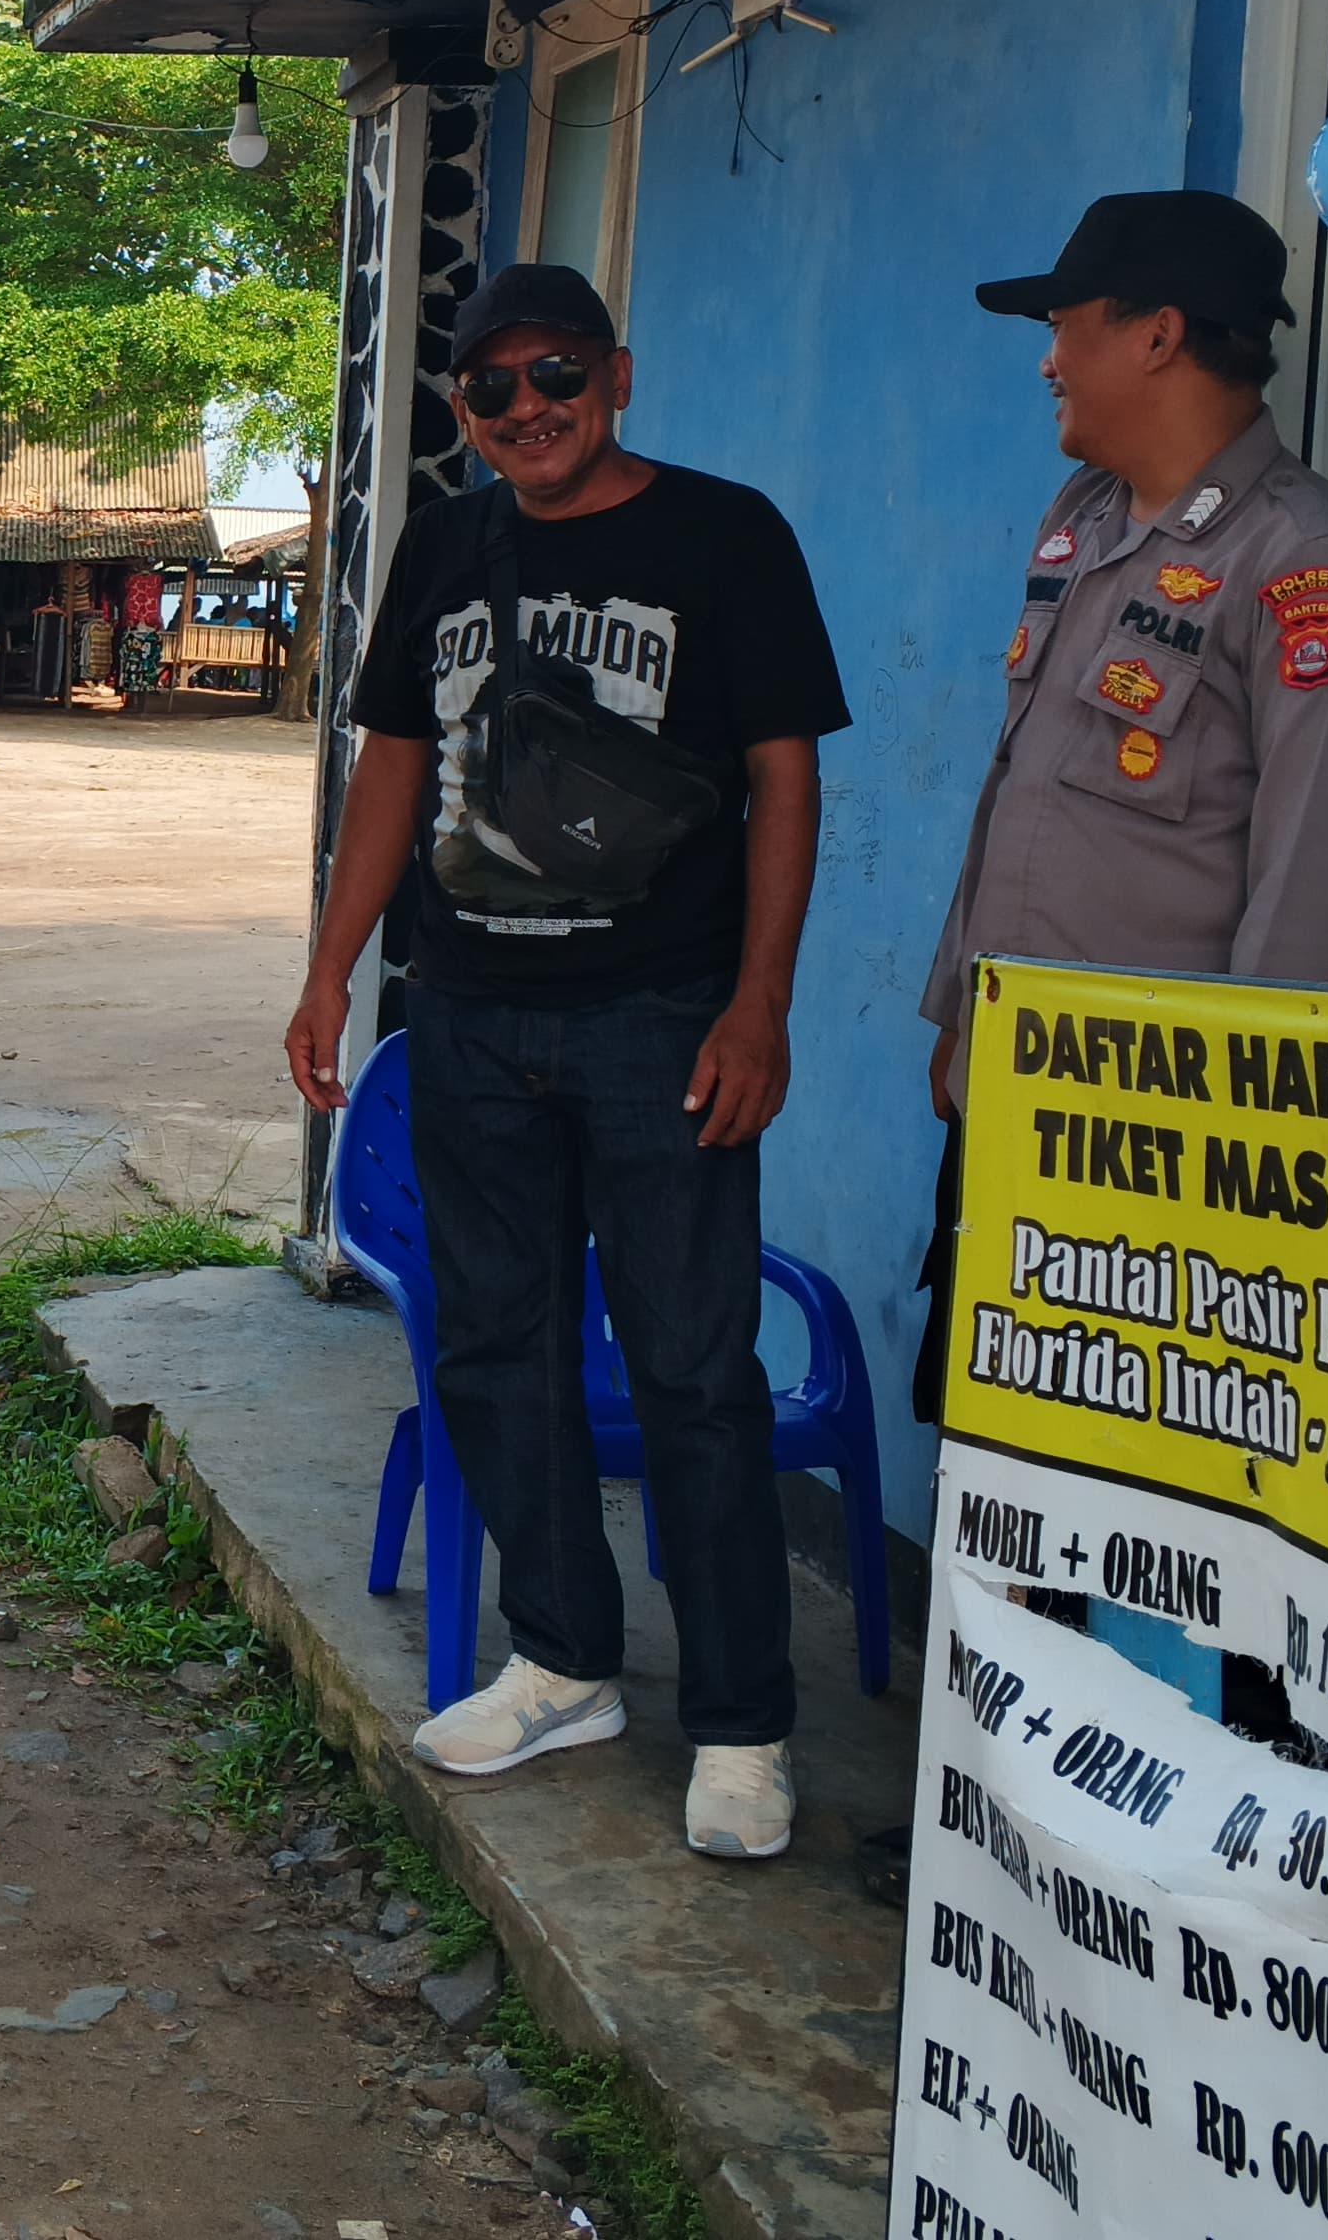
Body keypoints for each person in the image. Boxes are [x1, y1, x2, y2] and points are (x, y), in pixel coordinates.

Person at [283, 261, 849, 1859]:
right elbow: (396, 766)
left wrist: (761, 1004)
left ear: (617, 375)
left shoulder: (726, 537)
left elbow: (784, 781)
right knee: (495, 1349)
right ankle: (564, 1659)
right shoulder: (446, 545)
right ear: (464, 410)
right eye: (493, 388)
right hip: (468, 1014)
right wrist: (332, 968)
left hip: (662, 1018)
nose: (528, 409)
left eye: (557, 375)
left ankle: (740, 1722)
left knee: (691, 1370)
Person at [916, 189, 1328, 1419]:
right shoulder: (1083, 522)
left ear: (1154, 335)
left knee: (1120, 1474)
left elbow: (1306, 899)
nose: (1045, 361)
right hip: (1016, 1091)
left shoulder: (1314, 567)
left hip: (1160, 1152)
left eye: (1063, 325)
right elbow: (1019, 790)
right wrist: (958, 1015)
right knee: (992, 1452)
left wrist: (1239, 1150)